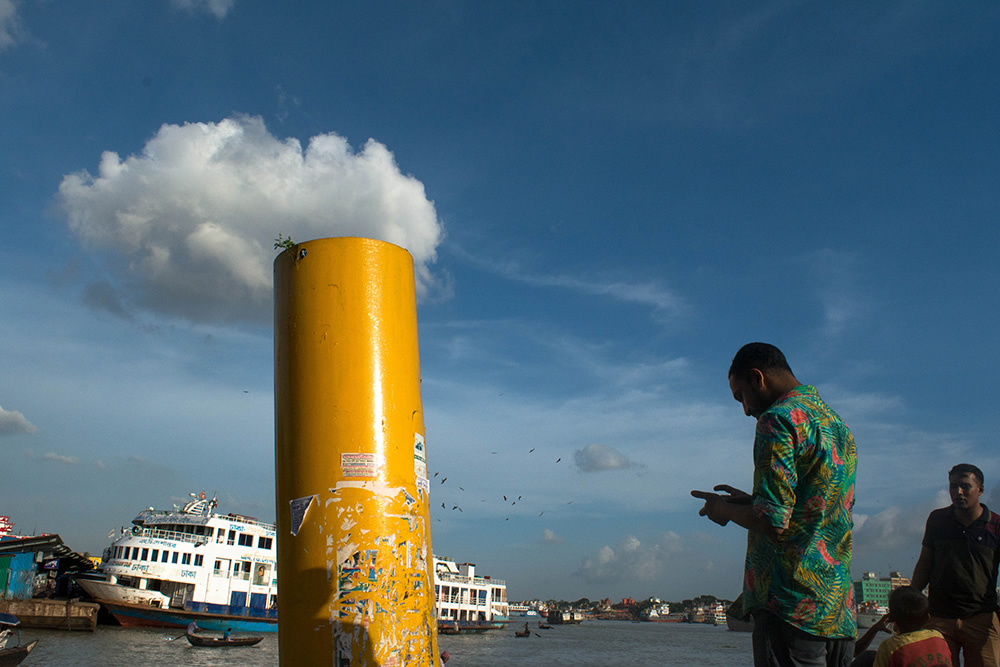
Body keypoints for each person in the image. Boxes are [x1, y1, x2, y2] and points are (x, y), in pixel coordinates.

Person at [691, 342, 857, 667]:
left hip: (789, 603)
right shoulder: (837, 425)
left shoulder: (776, 421)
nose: (745, 409)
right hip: (836, 606)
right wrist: (753, 499)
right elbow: (813, 507)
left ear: (758, 378)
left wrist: (722, 510)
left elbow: (773, 522)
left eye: (741, 396)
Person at [910, 463, 1000, 667]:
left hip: (981, 617)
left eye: (965, 486)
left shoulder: (996, 525)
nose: (957, 492)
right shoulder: (937, 520)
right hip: (939, 618)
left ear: (981, 490)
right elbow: (925, 562)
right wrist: (910, 601)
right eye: (952, 486)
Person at [870, 586, 952, 667]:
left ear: (892, 619)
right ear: (928, 618)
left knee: (868, 657)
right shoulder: (938, 637)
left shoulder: (889, 647)